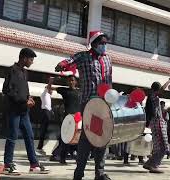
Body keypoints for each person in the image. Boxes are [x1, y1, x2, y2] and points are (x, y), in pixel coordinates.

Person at [55, 31, 112, 180]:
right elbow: (70, 60)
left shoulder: (108, 59)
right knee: (87, 138)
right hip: (88, 102)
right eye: (102, 43)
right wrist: (62, 64)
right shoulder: (83, 56)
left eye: (106, 43)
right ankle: (79, 172)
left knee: (102, 137)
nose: (104, 46)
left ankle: (99, 173)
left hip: (103, 104)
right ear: (93, 43)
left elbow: (109, 80)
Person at [2, 48, 49, 174]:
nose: (32, 62)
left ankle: (34, 164)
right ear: (24, 58)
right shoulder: (12, 70)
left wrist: (29, 98)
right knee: (12, 136)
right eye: (31, 59)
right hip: (14, 110)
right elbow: (7, 90)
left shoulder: (24, 72)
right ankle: (8, 164)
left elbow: (24, 90)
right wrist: (23, 101)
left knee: (29, 136)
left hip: (24, 111)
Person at [143, 79, 170, 173]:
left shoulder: (151, 97)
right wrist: (169, 81)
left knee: (158, 146)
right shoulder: (153, 95)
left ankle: (149, 164)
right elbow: (162, 89)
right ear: (157, 89)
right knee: (163, 146)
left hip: (155, 122)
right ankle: (154, 165)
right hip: (157, 122)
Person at [49, 75, 80, 164]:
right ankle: (62, 158)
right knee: (65, 139)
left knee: (78, 139)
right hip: (68, 118)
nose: (71, 82)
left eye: (72, 80)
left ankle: (79, 159)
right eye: (69, 80)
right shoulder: (64, 90)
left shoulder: (79, 92)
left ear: (76, 82)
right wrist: (51, 81)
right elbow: (49, 88)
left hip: (78, 118)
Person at [37, 78, 54, 155]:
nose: (52, 91)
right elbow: (48, 87)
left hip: (48, 112)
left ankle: (40, 147)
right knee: (43, 130)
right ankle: (39, 148)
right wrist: (50, 81)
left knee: (45, 130)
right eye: (51, 89)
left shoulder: (48, 96)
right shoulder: (44, 94)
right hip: (45, 113)